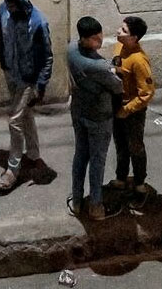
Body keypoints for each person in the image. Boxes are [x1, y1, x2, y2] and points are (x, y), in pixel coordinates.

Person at [0, 0, 53, 194]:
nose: (9, 9)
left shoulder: (38, 22)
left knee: (14, 121)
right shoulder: (2, 10)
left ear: (22, 2)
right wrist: (3, 60)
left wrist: (41, 85)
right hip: (10, 72)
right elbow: (1, 35)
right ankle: (34, 155)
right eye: (7, 4)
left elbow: (47, 57)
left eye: (13, 5)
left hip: (28, 78)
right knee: (25, 114)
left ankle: (13, 170)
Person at [67, 16, 122, 220]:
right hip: (99, 117)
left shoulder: (71, 50)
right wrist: (114, 70)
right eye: (96, 39)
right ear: (87, 38)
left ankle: (77, 200)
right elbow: (117, 86)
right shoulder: (98, 66)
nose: (100, 41)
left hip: (78, 110)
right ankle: (96, 205)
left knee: (80, 155)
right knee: (97, 160)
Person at [109, 16, 155, 199]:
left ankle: (139, 182)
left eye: (124, 31)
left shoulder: (139, 60)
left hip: (132, 112)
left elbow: (146, 93)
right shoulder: (119, 47)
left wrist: (126, 110)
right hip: (117, 105)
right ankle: (121, 178)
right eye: (121, 28)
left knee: (135, 146)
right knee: (120, 145)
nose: (118, 32)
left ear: (134, 37)